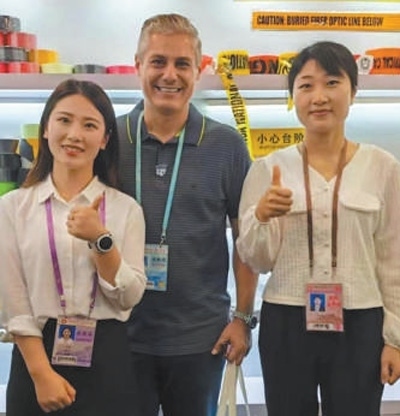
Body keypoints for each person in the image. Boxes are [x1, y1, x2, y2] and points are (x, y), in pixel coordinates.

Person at [236, 41, 400, 416]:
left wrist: (395, 339)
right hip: (286, 318)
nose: (319, 97)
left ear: (353, 92)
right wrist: (261, 216)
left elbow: (394, 259)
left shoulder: (383, 168)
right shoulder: (268, 169)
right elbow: (257, 260)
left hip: (361, 320)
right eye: (306, 85)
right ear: (293, 97)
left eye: (332, 82)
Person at [116, 13, 258, 416]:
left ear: (198, 70)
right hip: (121, 336)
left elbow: (245, 240)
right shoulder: (109, 139)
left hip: (201, 340)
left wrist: (243, 318)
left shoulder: (227, 145)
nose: (170, 75)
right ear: (138, 65)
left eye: (182, 64)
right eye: (158, 61)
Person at [0, 79, 147, 416]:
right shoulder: (13, 207)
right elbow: (13, 300)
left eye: (89, 125)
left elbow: (129, 296)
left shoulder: (126, 209)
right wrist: (41, 375)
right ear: (46, 129)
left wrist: (101, 240)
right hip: (36, 357)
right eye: (64, 120)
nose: (74, 134)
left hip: (107, 356)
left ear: (105, 138)